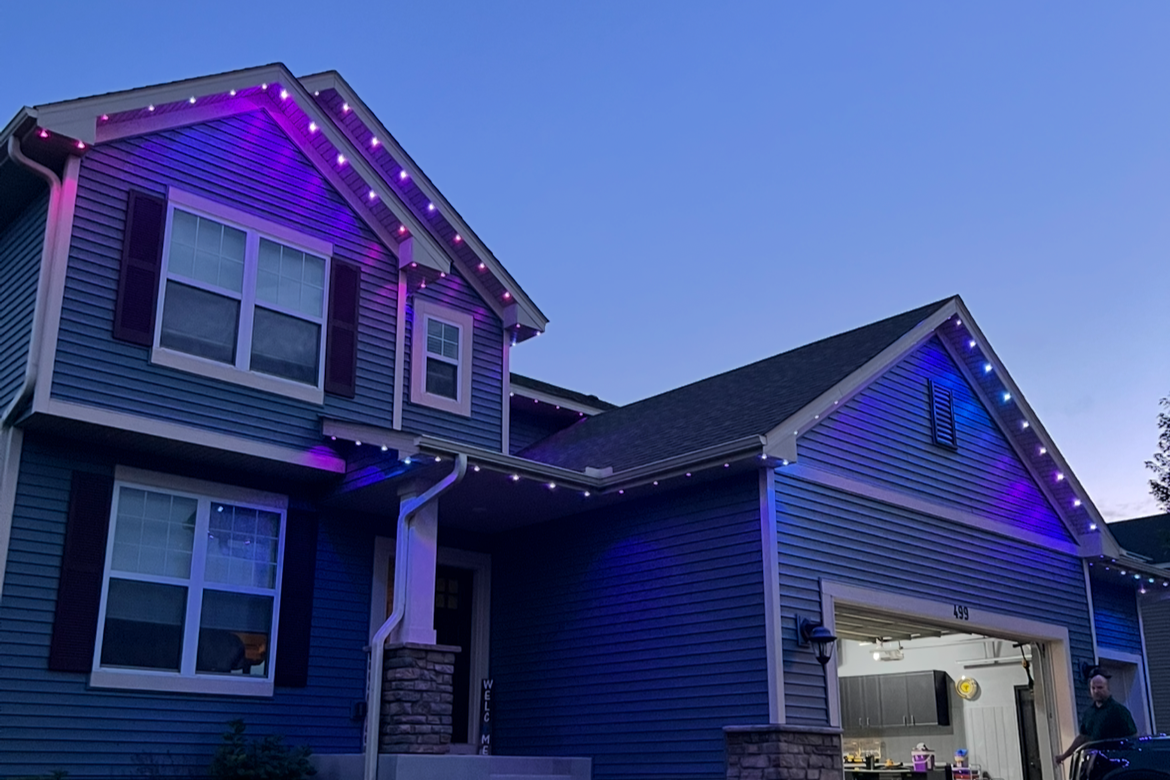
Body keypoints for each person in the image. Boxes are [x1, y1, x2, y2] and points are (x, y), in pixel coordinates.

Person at [1055, 667, 1138, 763]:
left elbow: (1133, 738)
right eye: (1093, 688)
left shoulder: (1119, 711)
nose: (1096, 691)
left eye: (1100, 687)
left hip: (1114, 762)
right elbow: (1082, 738)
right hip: (1094, 763)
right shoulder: (1089, 713)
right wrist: (1064, 756)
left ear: (1108, 688)